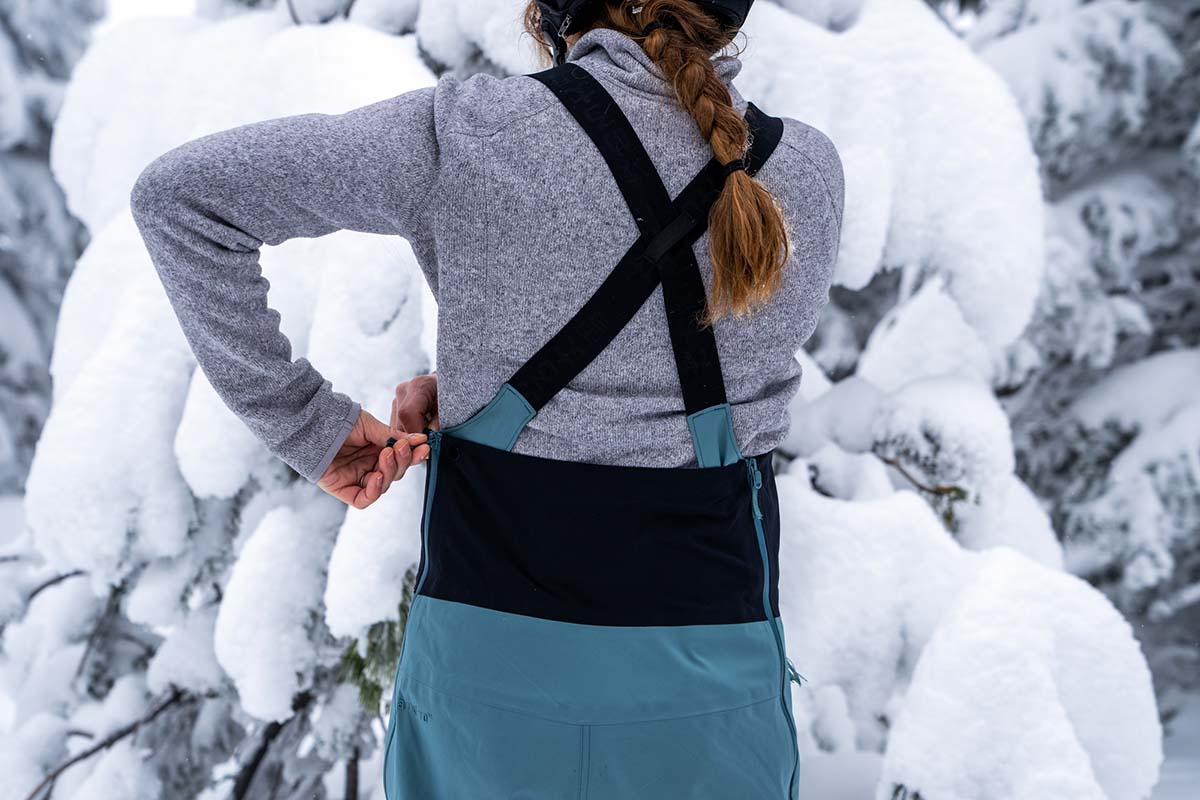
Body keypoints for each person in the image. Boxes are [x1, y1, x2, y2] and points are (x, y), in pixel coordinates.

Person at [131, 0, 843, 795]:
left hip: (488, 689)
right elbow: (681, 382)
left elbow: (183, 198)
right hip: (712, 693)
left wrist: (312, 427)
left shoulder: (475, 135)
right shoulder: (804, 171)